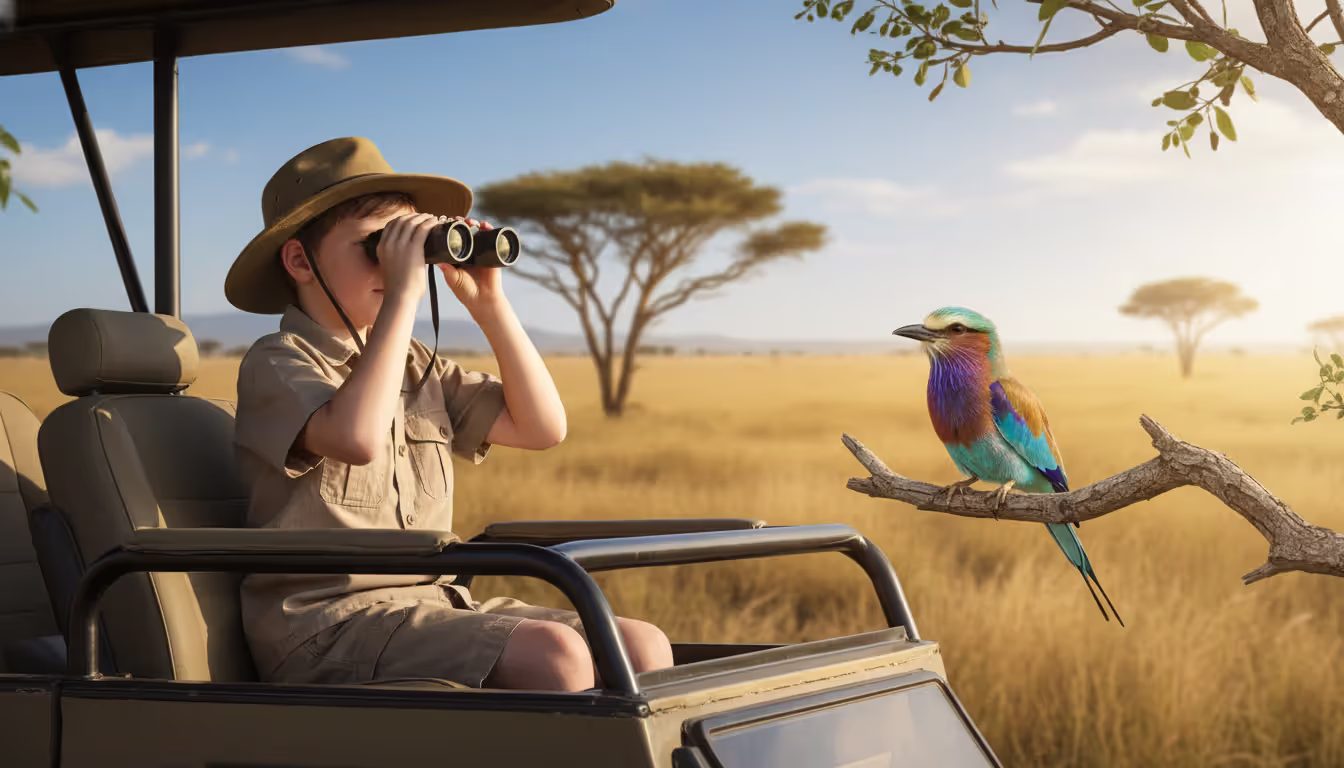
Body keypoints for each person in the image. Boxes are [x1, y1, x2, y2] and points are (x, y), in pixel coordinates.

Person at [223, 137, 672, 691]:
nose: (401, 261)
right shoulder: (278, 361)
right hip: (324, 626)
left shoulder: (418, 367)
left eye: (412, 245)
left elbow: (542, 428)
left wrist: (489, 305)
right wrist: (403, 298)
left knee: (641, 644)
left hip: (433, 603)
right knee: (555, 657)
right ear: (300, 260)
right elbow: (356, 436)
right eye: (378, 246)